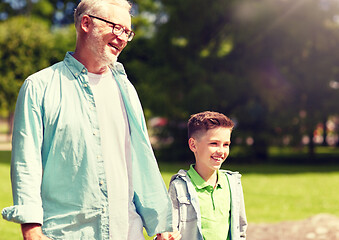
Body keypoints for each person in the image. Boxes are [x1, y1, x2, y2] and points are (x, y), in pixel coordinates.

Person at [1, 0, 179, 239]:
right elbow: (27, 163)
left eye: (128, 32)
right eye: (117, 28)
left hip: (127, 232)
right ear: (86, 23)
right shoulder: (38, 87)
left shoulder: (125, 88)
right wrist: (32, 229)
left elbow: (140, 157)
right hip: (66, 233)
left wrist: (161, 224)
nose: (123, 38)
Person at [167, 111, 247, 240]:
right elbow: (169, 231)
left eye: (226, 144)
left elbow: (240, 230)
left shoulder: (233, 183)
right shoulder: (179, 186)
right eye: (214, 143)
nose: (221, 151)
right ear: (193, 145)